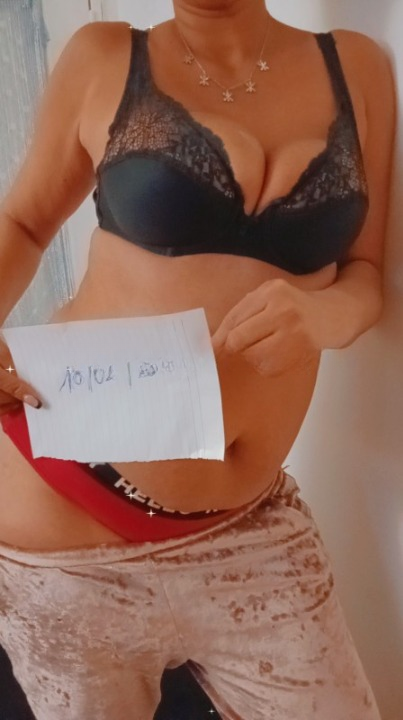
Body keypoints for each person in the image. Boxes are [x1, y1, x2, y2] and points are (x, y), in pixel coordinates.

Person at [0, 1, 395, 718]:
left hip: (249, 532)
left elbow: (365, 273)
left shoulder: (357, 68)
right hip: (70, 543)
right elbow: (23, 222)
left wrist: (323, 314)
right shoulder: (104, 58)